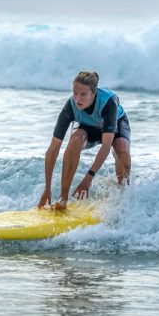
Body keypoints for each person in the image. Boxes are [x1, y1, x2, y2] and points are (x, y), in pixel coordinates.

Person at [37, 71, 131, 211]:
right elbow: (53, 149)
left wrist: (89, 178)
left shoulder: (108, 102)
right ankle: (63, 198)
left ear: (94, 94)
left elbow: (105, 146)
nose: (77, 99)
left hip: (115, 124)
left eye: (83, 94)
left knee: (122, 149)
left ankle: (123, 196)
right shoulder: (70, 107)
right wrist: (47, 189)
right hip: (88, 128)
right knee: (75, 139)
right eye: (75, 93)